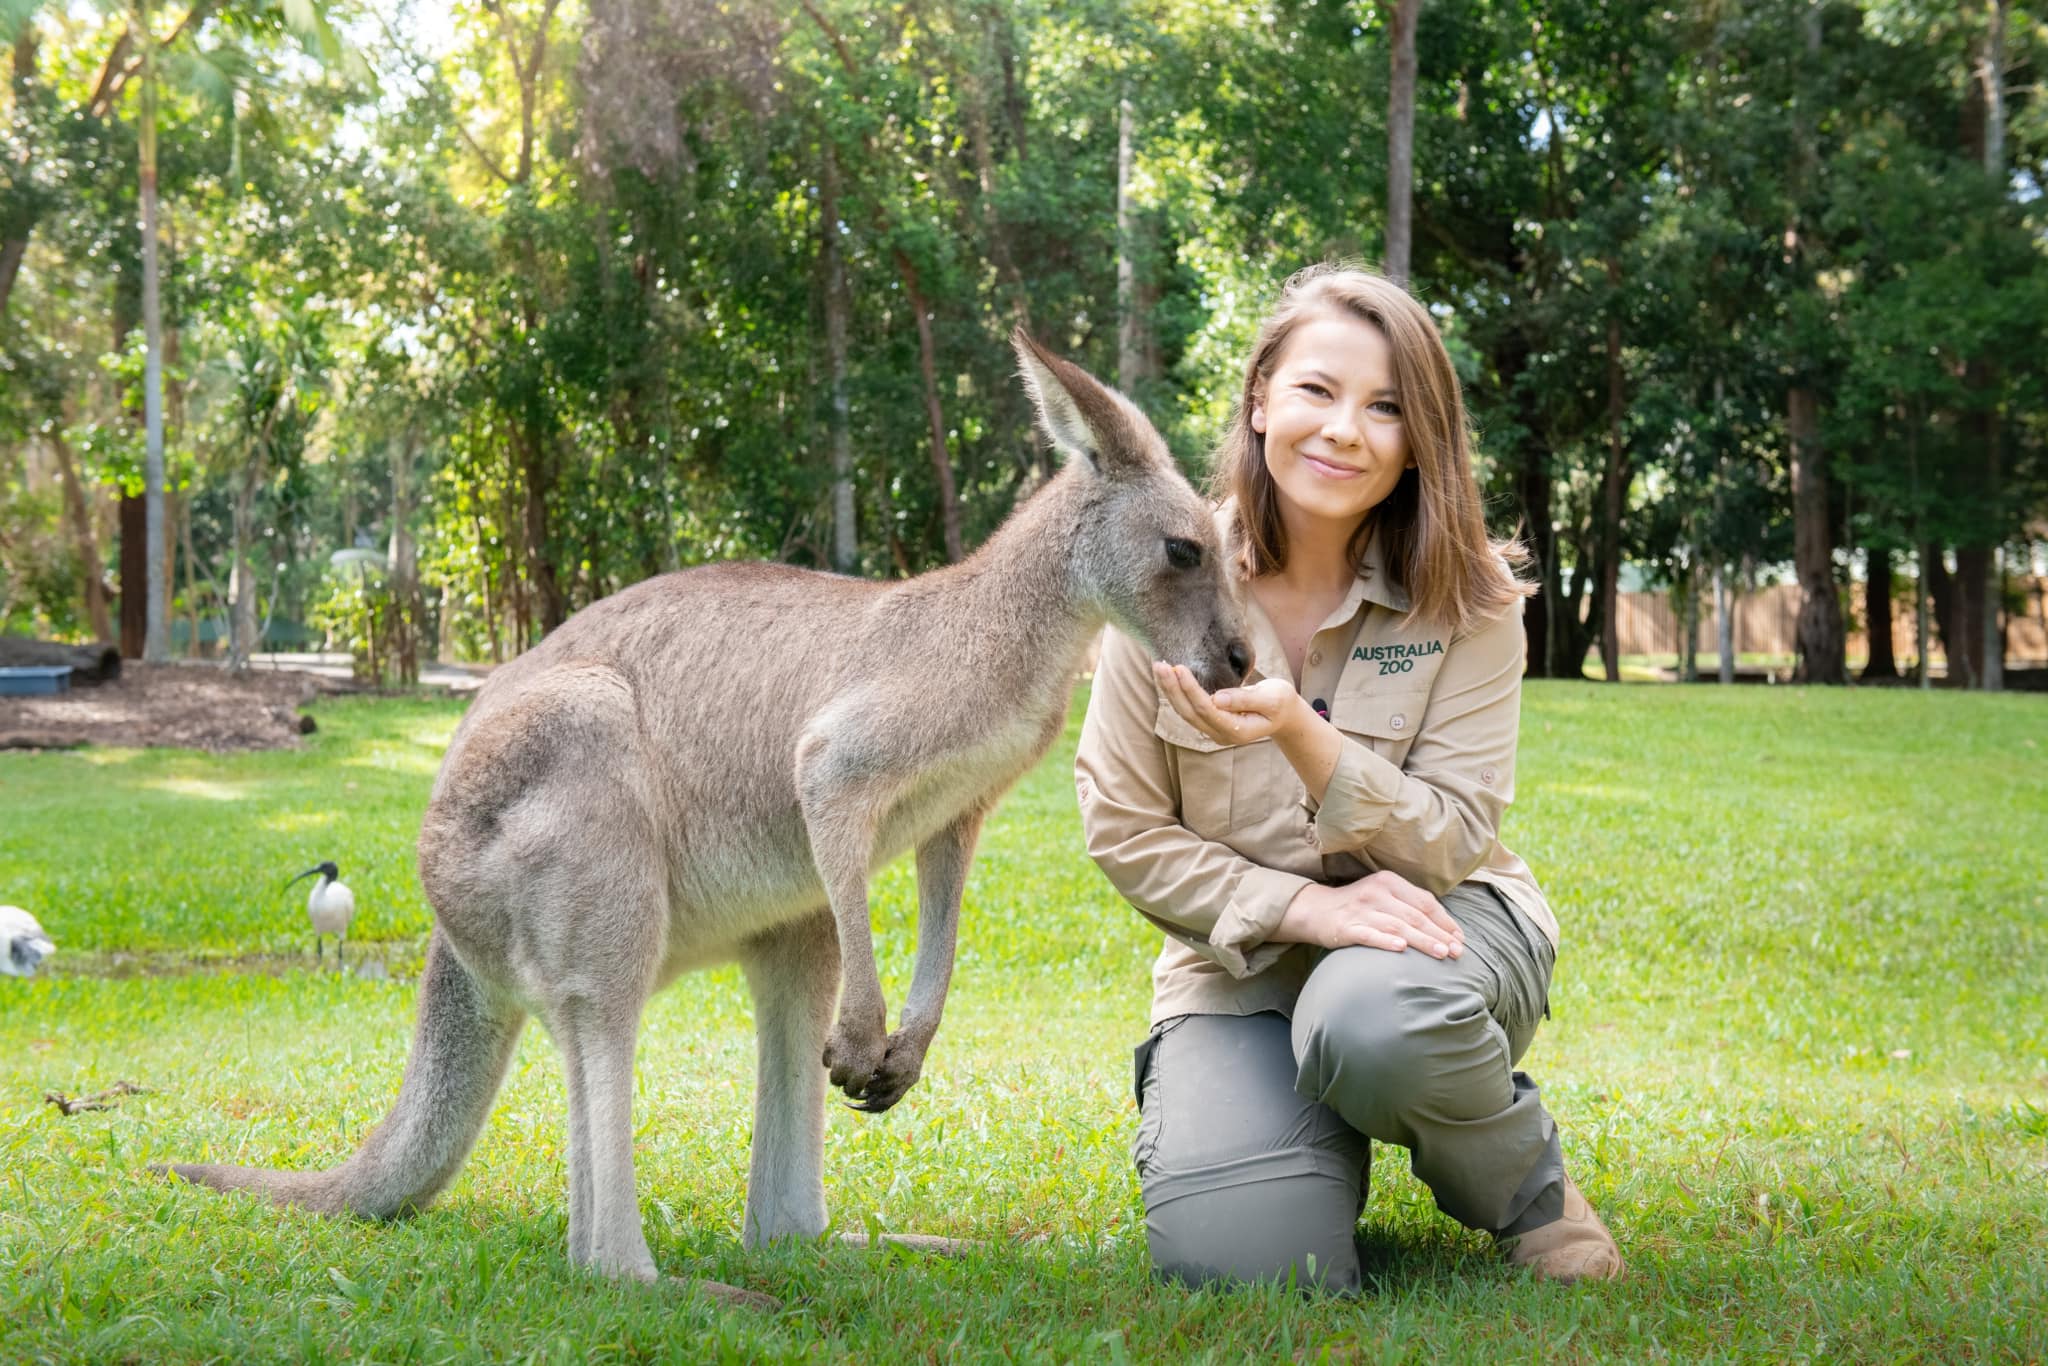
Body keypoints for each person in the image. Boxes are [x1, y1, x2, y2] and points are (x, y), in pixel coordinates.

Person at [1075, 263, 1622, 1291]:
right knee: (1253, 1270)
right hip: (1241, 976)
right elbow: (1125, 831)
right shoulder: (1156, 576)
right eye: (1315, 391)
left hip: (1441, 933)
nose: (1342, 430)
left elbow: (1453, 836)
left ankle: (1531, 1198)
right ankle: (1305, 1123)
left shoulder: (1471, 600)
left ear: (1419, 440)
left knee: (1369, 1020)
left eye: (1384, 409)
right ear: (1258, 399)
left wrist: (1297, 732)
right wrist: (1301, 911)